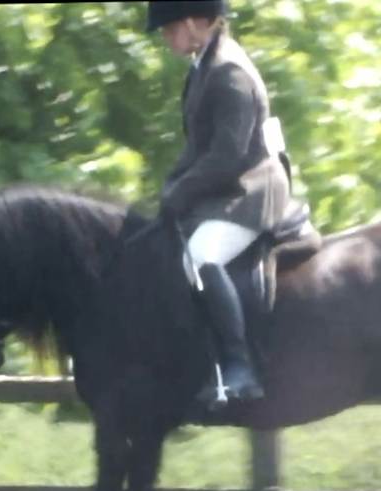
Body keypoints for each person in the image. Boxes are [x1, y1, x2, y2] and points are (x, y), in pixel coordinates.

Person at [148, 0, 291, 406]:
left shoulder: (228, 72)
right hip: (225, 186)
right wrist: (171, 186)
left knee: (201, 256)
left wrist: (181, 192)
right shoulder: (203, 67)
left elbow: (227, 156)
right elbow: (197, 148)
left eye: (169, 28)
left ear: (195, 21)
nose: (165, 36)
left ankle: (240, 368)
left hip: (251, 189)